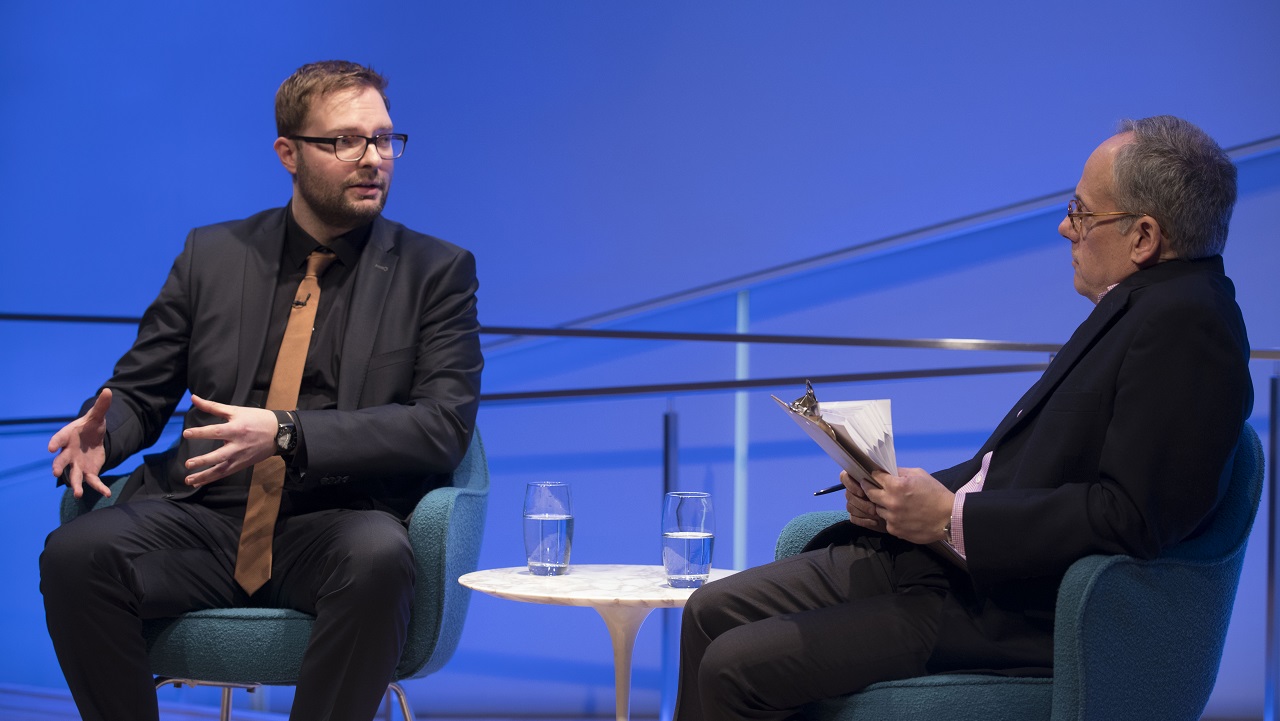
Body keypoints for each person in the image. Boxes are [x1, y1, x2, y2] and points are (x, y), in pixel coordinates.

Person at [674, 115, 1253, 721]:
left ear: (1143, 237)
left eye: (1081, 213)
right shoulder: (1139, 309)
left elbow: (1129, 515)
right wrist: (903, 495)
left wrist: (950, 516)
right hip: (944, 567)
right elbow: (1013, 468)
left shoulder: (1191, 327)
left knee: (734, 665)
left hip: (1003, 606)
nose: (1064, 228)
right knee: (709, 610)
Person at [40, 60, 483, 721]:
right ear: (288, 153)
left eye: (385, 139)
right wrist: (105, 432)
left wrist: (285, 432)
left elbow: (442, 425)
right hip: (204, 519)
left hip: (334, 524)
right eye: (345, 141)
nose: (373, 159)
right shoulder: (211, 256)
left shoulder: (436, 272)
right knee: (74, 555)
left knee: (379, 554)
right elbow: (141, 387)